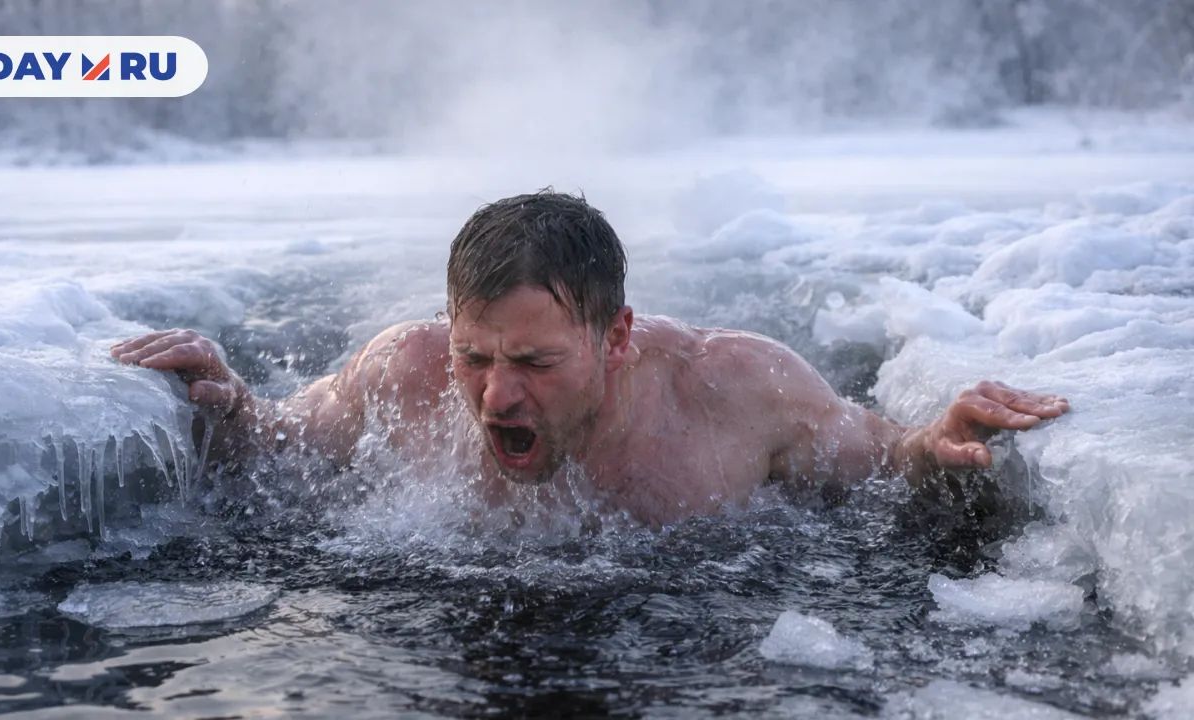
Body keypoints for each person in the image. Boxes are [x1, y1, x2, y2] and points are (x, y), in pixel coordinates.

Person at [110, 191, 1069, 525]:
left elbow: (878, 460)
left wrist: (935, 443)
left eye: (533, 360)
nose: (494, 395)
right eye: (474, 355)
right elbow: (280, 450)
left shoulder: (732, 387)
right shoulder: (399, 372)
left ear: (614, 338)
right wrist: (227, 402)